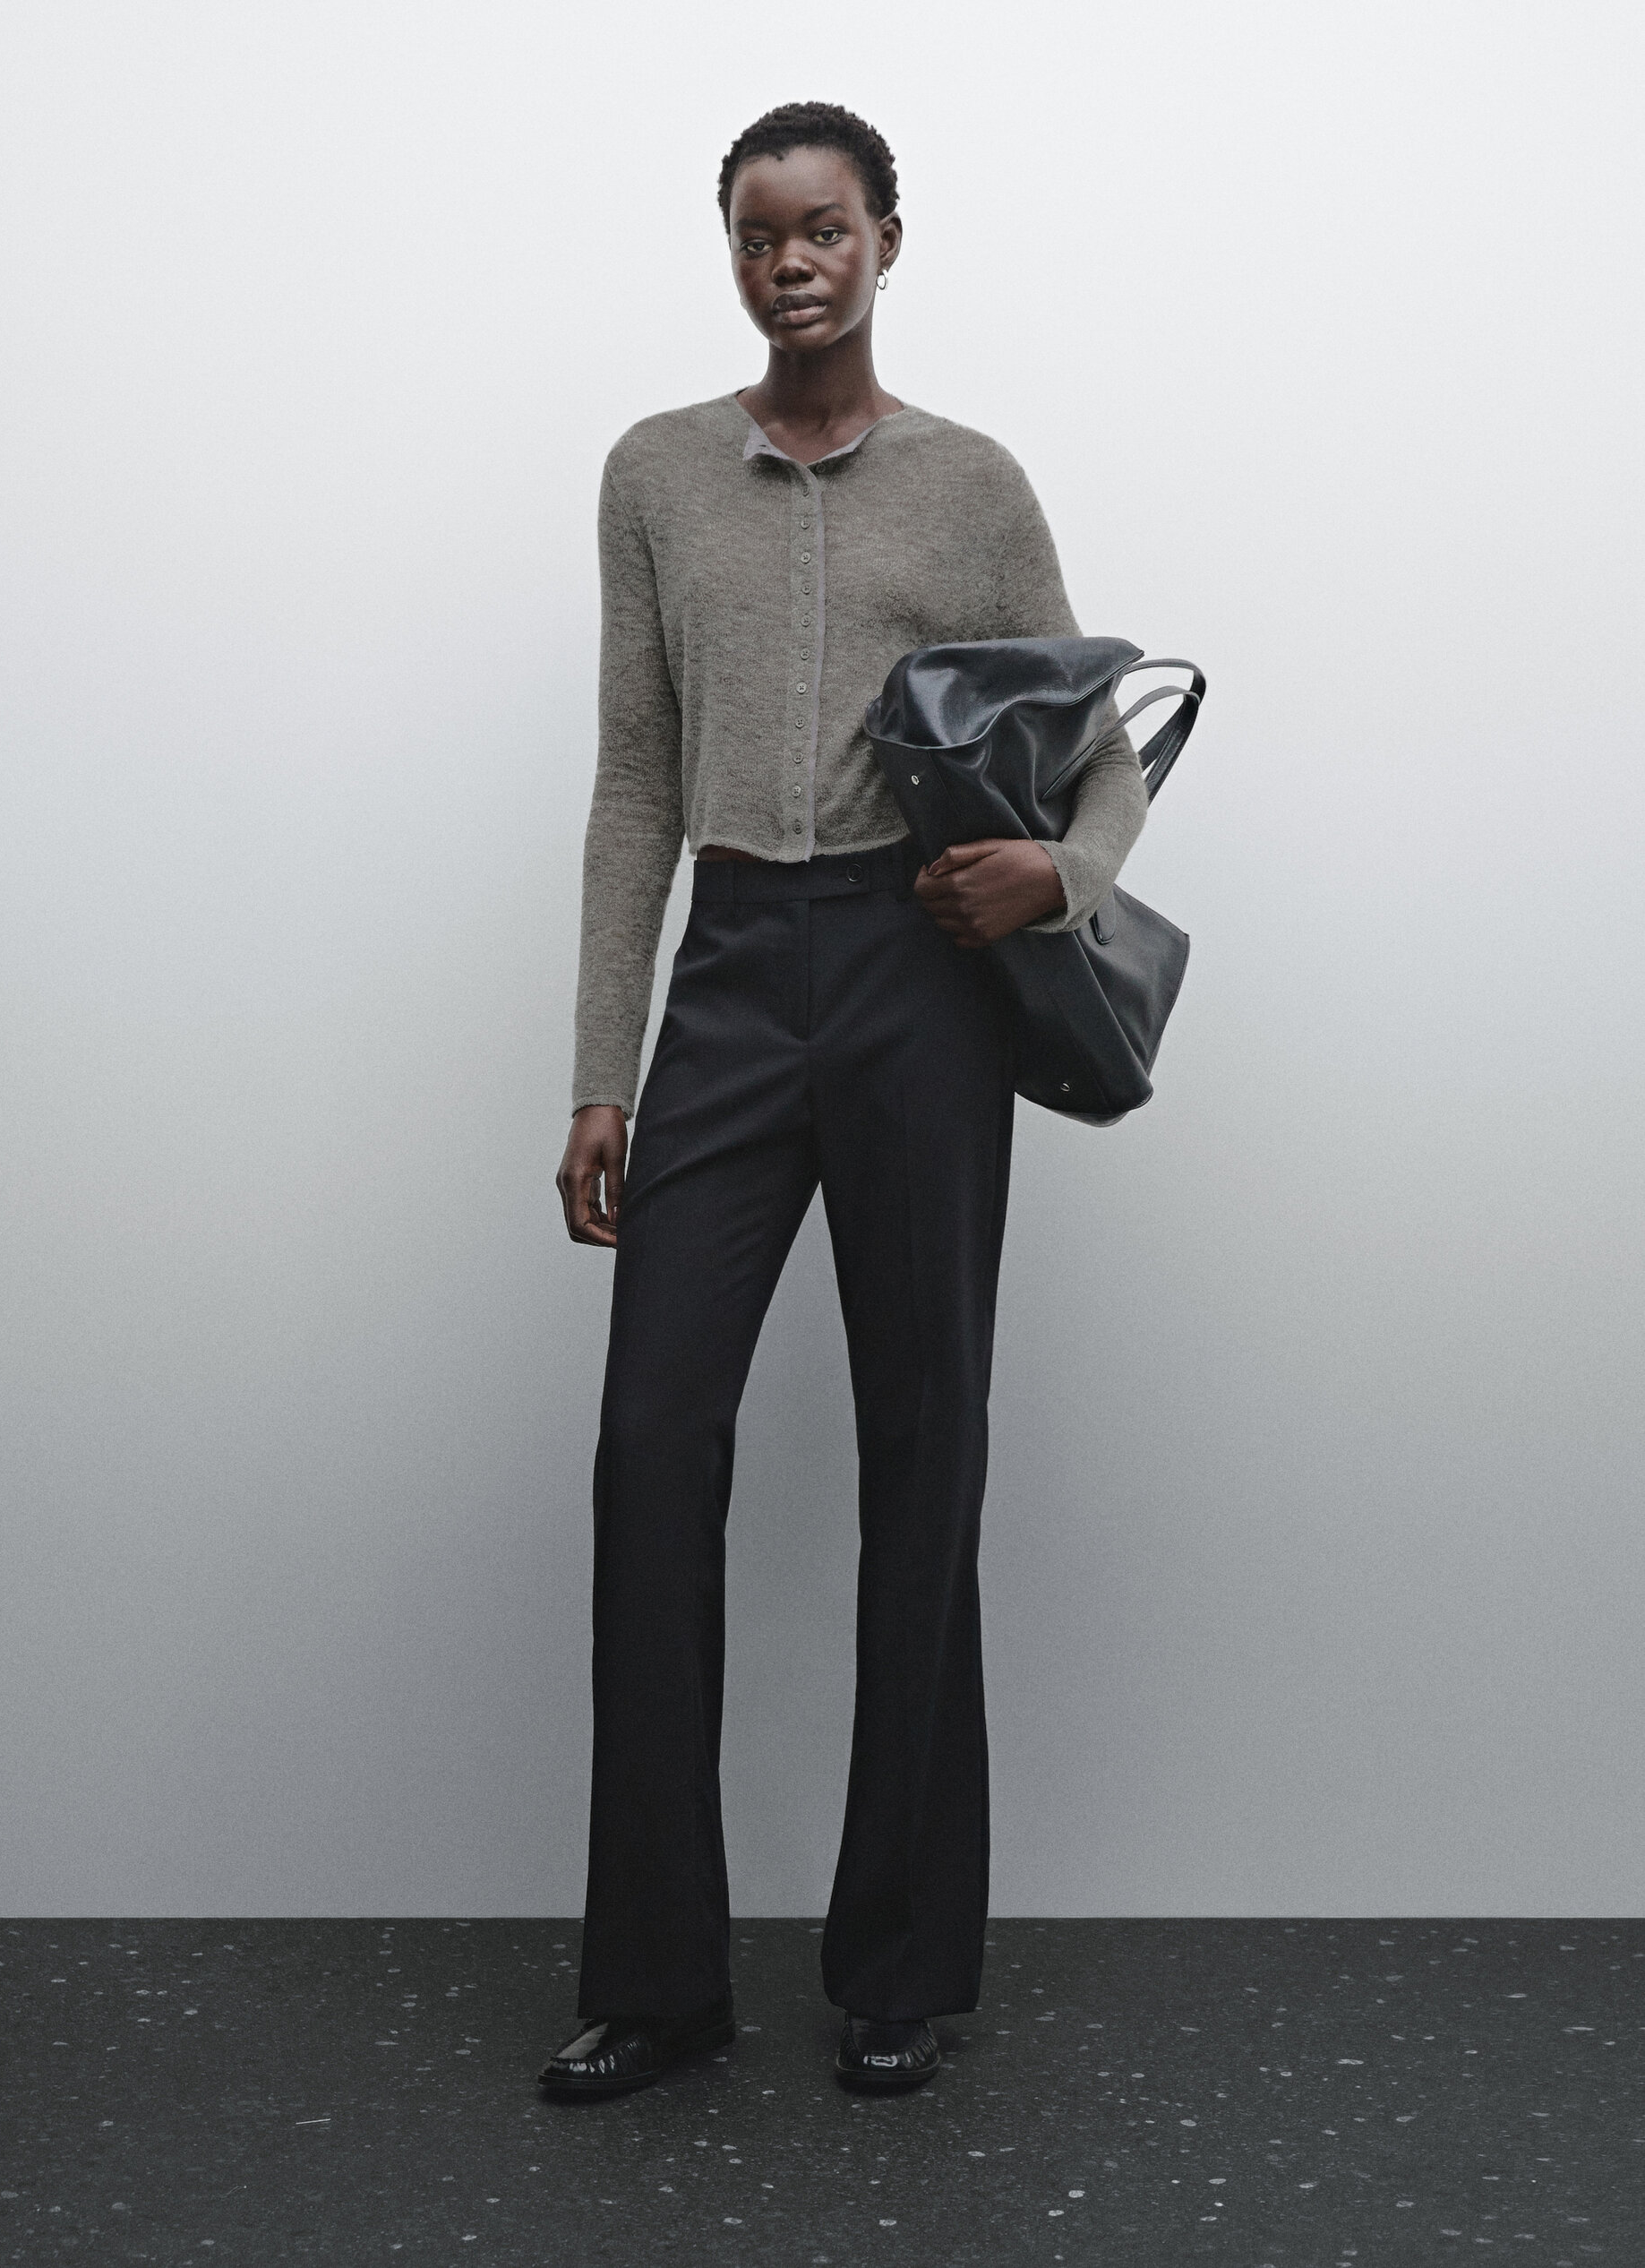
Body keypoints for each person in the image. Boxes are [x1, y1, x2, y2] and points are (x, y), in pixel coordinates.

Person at [539, 102, 1147, 2098]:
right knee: (651, 1447)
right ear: (728, 251)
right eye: (756, 233)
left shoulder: (970, 486)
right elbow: (636, 777)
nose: (789, 262)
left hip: (915, 980)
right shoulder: (654, 473)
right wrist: (600, 1068)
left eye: (823, 228)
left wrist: (1056, 878)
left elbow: (1097, 753)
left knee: (922, 1449)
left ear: (887, 238)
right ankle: (656, 1979)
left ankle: (898, 1968)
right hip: (728, 975)